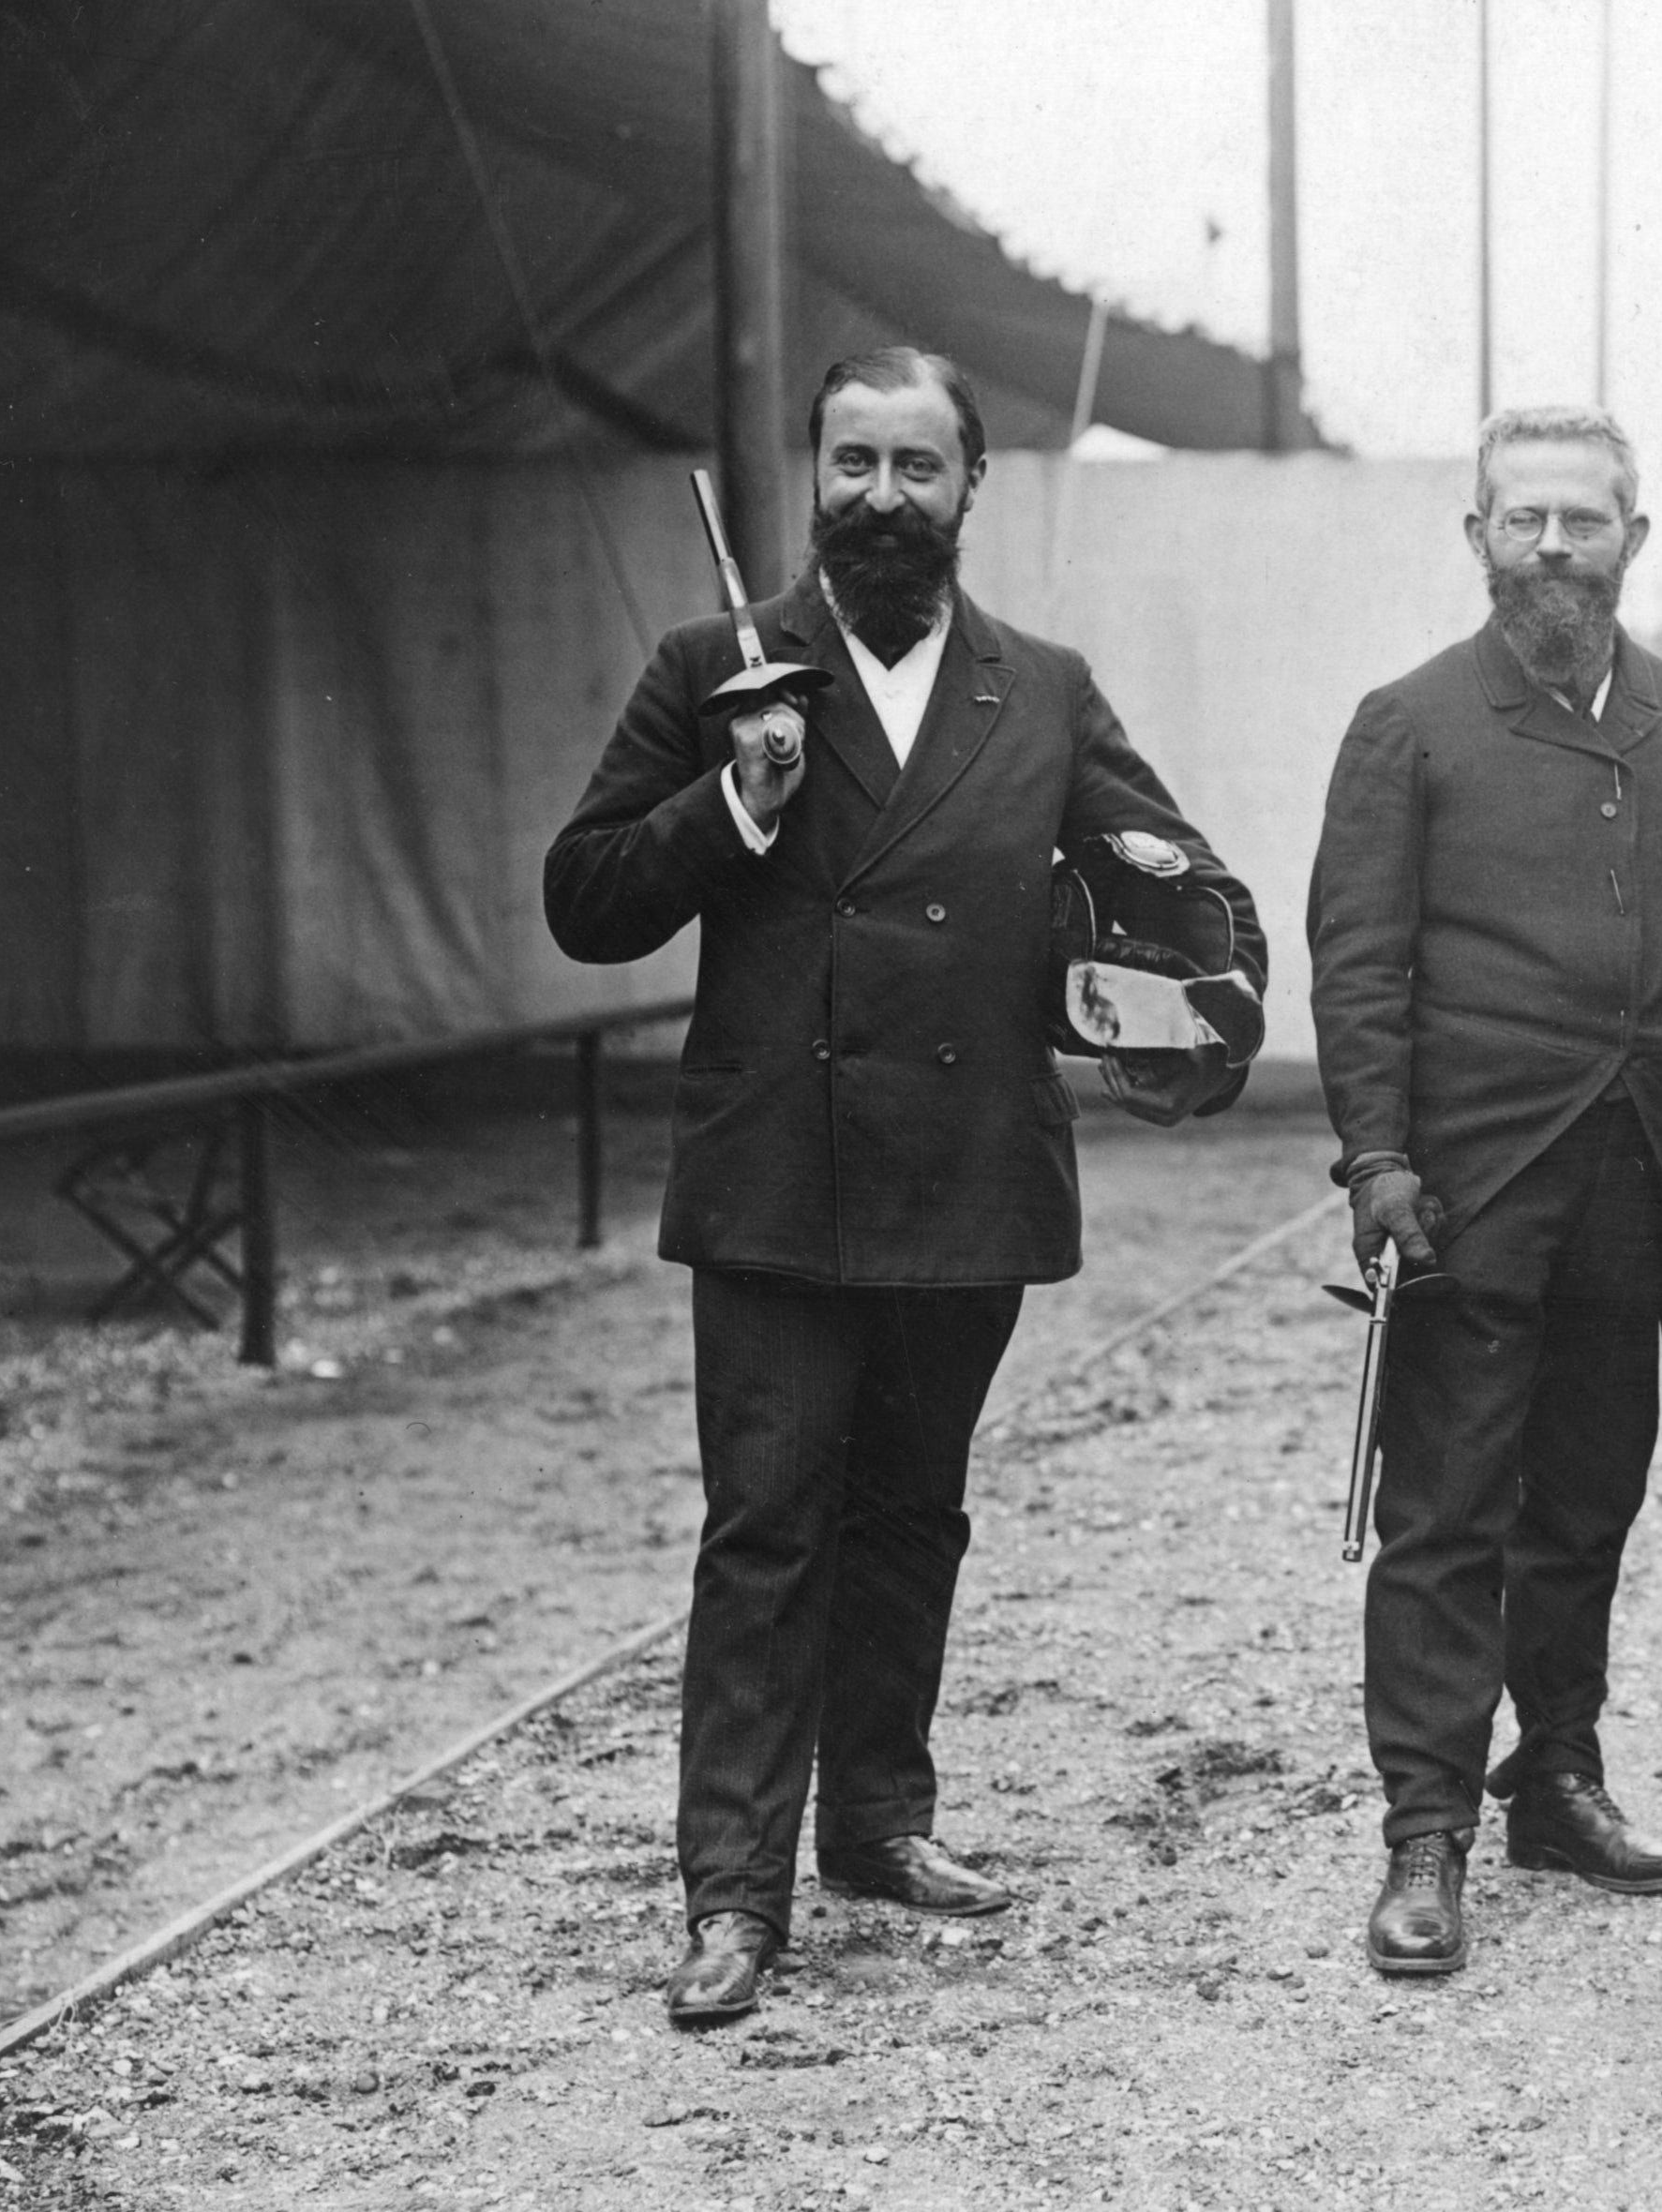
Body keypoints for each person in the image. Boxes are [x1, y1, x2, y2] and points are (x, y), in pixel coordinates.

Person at [546, 346, 1264, 2025]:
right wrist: (737, 799)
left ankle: (877, 1824)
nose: (880, 498)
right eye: (851, 464)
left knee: (909, 1520)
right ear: (814, 477)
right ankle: (733, 1896)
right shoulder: (714, 668)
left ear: (969, 491)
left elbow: (1180, 883)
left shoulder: (1046, 689)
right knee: (766, 1530)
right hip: (777, 1186)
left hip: (962, 1179)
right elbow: (585, 900)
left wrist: (1181, 1000)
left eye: (914, 468)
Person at [1308, 406, 1662, 1977]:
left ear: (1632, 540)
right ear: (1475, 539)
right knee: (1447, 1507)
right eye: (1519, 519)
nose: (1549, 548)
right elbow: (1357, 965)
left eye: (1579, 521)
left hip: (1637, 1180)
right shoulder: (1408, 725)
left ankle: (1559, 1779)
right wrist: (1378, 1160)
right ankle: (1424, 1837)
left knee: (1589, 1494)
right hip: (1463, 1190)